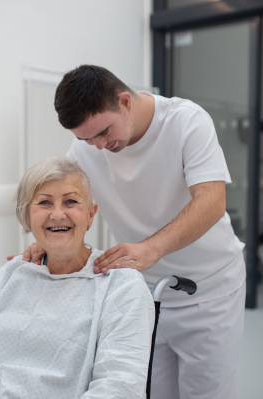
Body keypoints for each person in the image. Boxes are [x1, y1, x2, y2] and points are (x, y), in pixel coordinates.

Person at [16, 65, 246, 399]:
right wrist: (45, 242)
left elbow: (212, 200)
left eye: (104, 131)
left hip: (210, 292)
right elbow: (66, 201)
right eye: (86, 138)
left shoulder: (186, 122)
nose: (98, 145)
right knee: (151, 390)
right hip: (145, 294)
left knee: (206, 393)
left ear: (124, 101)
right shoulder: (86, 149)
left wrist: (152, 248)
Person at [0, 156, 155, 399]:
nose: (58, 214)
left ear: (91, 215)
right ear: (28, 216)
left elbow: (119, 387)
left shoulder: (120, 286)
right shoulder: (14, 272)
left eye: (71, 201)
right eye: (44, 203)